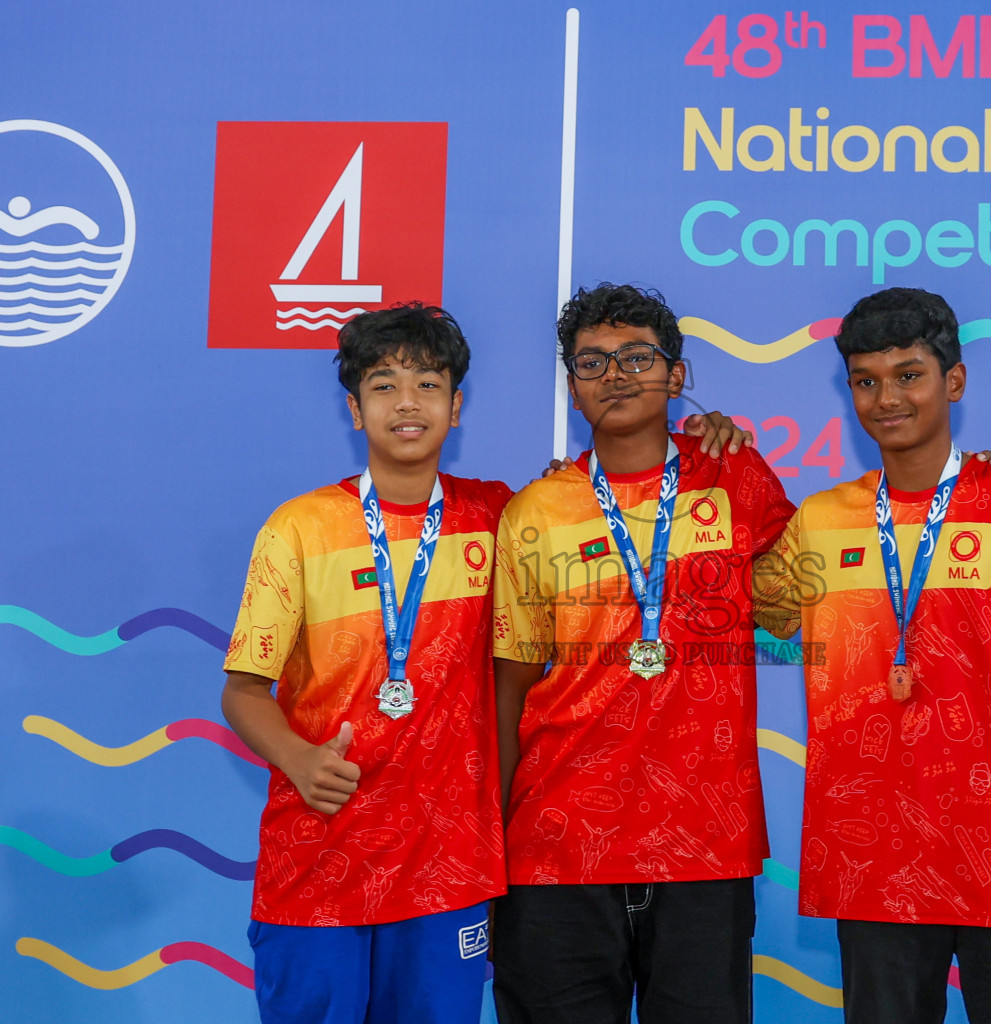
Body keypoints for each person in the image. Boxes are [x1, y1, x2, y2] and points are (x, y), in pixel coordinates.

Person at [753, 287, 991, 1024]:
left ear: (954, 381)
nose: (886, 398)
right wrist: (709, 453)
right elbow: (744, 616)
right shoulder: (820, 521)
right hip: (873, 869)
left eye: (909, 374)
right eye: (865, 380)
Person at [490, 283, 796, 1024]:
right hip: (556, 847)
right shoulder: (536, 510)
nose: (617, 375)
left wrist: (964, 469)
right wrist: (490, 843)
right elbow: (509, 687)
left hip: (704, 847)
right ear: (571, 388)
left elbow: (799, 609)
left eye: (637, 357)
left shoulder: (735, 479)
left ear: (677, 375)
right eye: (592, 363)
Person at [220, 303, 510, 1024]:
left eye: (428, 384)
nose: (407, 403)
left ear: (456, 405)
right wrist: (297, 756)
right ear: (354, 409)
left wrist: (701, 443)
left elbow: (609, 500)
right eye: (384, 385)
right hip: (321, 861)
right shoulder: (300, 528)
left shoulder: (503, 519)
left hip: (449, 870)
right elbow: (243, 689)